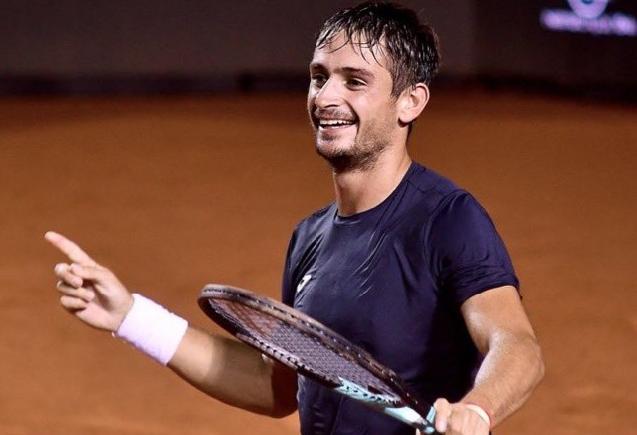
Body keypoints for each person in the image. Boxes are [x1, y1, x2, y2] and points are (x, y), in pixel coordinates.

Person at [46, 2, 544, 434]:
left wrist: (477, 408)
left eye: (355, 81)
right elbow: (274, 386)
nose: (326, 97)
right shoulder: (311, 237)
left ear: (410, 102)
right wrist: (130, 316)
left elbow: (515, 342)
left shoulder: (449, 218)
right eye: (319, 76)